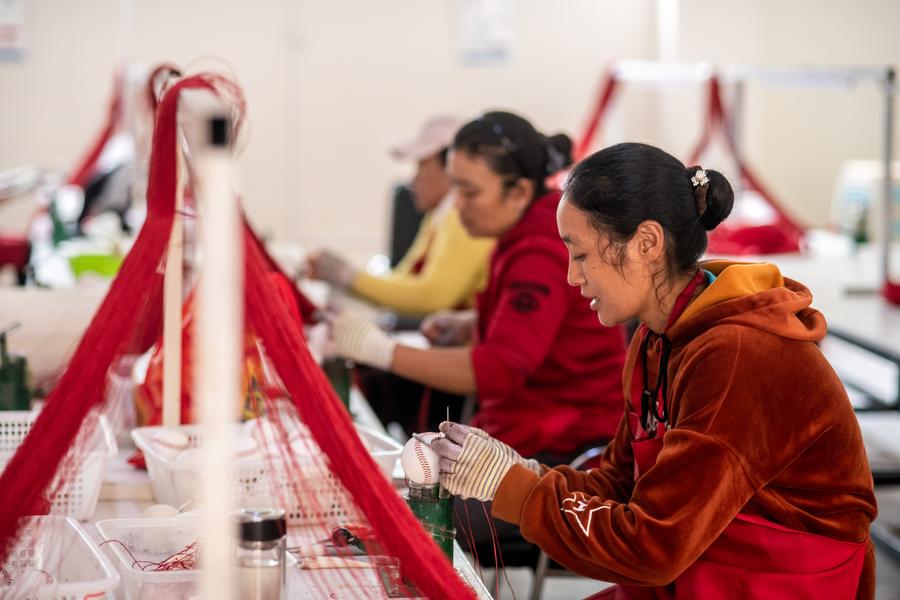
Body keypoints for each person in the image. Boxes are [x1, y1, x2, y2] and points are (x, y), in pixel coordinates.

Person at [429, 142, 877, 598]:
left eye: (581, 255)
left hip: (766, 583)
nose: (571, 276)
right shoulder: (656, 338)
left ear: (647, 243)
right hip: (700, 568)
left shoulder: (739, 354)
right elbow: (621, 483)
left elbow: (654, 547)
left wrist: (517, 491)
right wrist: (522, 472)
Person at [330, 111, 628, 565]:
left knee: (403, 525)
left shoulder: (539, 249)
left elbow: (499, 370)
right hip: (530, 436)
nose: (457, 205)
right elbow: (549, 326)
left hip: (560, 458)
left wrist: (379, 350)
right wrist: (473, 323)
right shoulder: (523, 236)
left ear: (520, 192)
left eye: (469, 191)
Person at [308, 116, 494, 317]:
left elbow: (432, 297)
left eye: (421, 166)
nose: (414, 179)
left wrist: (349, 276)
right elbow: (404, 277)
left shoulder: (464, 217)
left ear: (450, 168)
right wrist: (345, 278)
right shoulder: (437, 217)